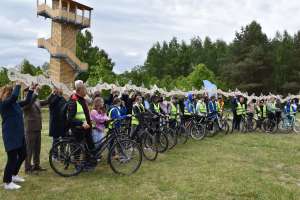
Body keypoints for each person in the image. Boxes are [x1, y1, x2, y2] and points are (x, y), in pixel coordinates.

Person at [0, 82, 35, 190]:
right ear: (4, 93)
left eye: (11, 92)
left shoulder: (14, 103)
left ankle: (14, 175)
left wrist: (31, 90)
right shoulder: (3, 104)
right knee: (12, 158)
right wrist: (18, 85)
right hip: (10, 135)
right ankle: (7, 182)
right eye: (9, 92)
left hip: (19, 134)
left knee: (23, 154)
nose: (11, 94)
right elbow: (14, 96)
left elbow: (27, 101)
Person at [22, 86, 47, 174]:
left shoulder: (36, 100)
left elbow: (46, 101)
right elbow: (29, 103)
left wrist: (53, 93)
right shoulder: (25, 102)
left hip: (37, 127)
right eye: (29, 91)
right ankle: (27, 168)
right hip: (30, 128)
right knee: (29, 149)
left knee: (37, 148)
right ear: (25, 93)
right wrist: (35, 93)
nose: (31, 92)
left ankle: (36, 165)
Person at [67, 80, 95, 152]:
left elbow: (84, 113)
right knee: (77, 152)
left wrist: (90, 121)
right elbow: (70, 118)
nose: (86, 90)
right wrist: (82, 123)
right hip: (79, 131)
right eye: (85, 89)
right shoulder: (73, 101)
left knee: (90, 149)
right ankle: (79, 162)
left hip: (86, 129)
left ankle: (89, 161)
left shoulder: (83, 99)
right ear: (80, 90)